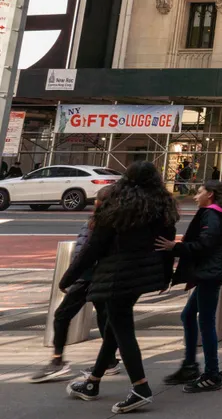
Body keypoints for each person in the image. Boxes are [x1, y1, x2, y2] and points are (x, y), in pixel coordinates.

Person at [61, 161, 179, 414]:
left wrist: (69, 277)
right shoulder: (162, 206)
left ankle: (141, 387)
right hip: (142, 277)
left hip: (116, 276)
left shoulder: (116, 206)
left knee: (122, 330)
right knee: (114, 329)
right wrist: (166, 275)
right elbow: (166, 242)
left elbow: (93, 247)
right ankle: (93, 382)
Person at [157, 180, 222, 393]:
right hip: (212, 270)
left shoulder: (212, 214)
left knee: (206, 322)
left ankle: (212, 373)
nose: (196, 196)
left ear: (210, 194)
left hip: (210, 272)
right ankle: (190, 365)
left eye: (199, 192)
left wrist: (175, 247)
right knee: (188, 316)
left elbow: (206, 243)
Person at [29, 187, 121, 383]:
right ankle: (110, 361)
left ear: (100, 202)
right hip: (98, 277)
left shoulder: (101, 223)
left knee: (63, 315)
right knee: (105, 319)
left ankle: (57, 360)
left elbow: (87, 252)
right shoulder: (112, 221)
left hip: (88, 277)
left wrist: (68, 278)